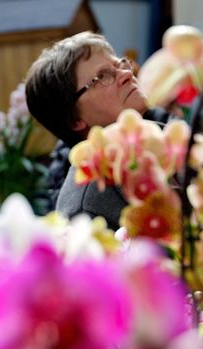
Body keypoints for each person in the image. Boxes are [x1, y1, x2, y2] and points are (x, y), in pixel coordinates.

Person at [25, 31, 170, 230]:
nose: (127, 74)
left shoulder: (167, 138)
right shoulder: (86, 212)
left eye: (119, 64)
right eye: (102, 77)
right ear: (75, 120)